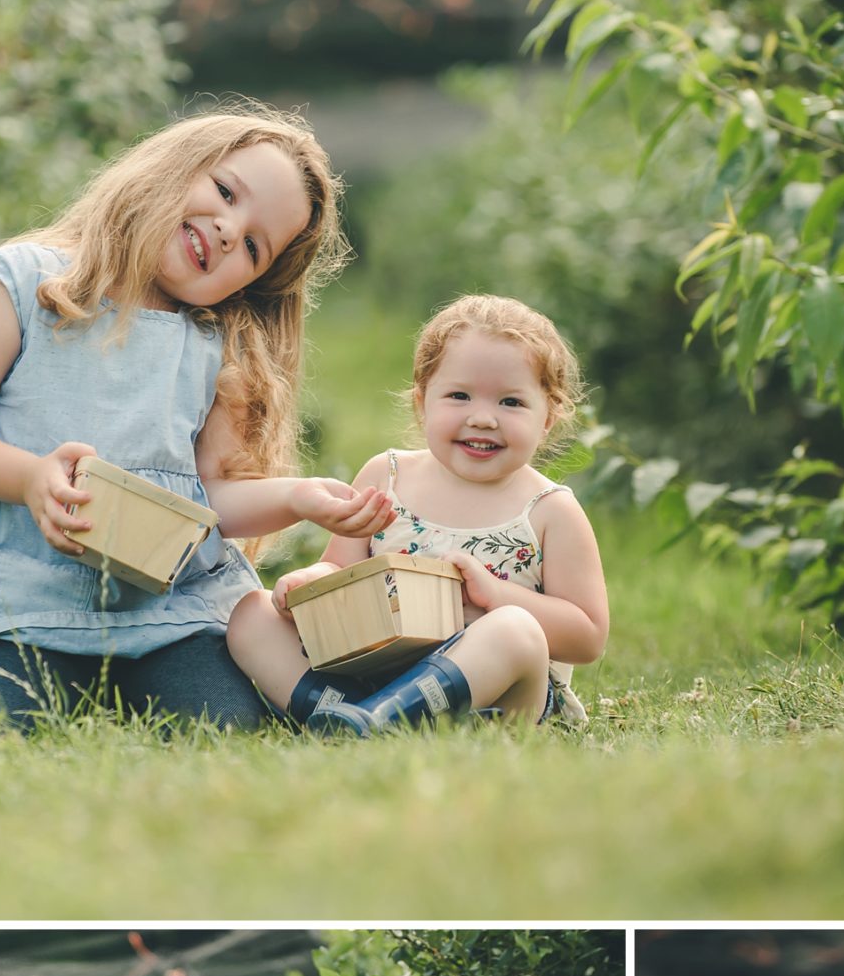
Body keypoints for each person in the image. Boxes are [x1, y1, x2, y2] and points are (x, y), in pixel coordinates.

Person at [0, 103, 394, 729]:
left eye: (251, 245)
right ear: (173, 166)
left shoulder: (217, 346)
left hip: (167, 616)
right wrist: (29, 478)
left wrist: (297, 497)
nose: (225, 229)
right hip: (16, 605)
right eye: (224, 192)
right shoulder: (26, 284)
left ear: (251, 283)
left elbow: (211, 499)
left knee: (229, 726)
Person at [226, 293, 608, 731]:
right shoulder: (386, 476)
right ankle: (342, 712)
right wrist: (313, 582)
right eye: (459, 396)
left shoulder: (548, 510)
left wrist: (496, 597)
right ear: (422, 402)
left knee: (515, 630)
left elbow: (588, 636)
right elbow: (339, 569)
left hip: (495, 700)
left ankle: (378, 720)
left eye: (511, 403)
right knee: (251, 613)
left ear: (548, 418)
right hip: (373, 672)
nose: (483, 418)